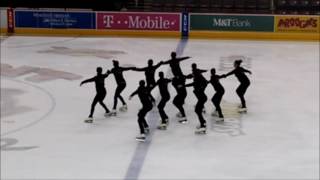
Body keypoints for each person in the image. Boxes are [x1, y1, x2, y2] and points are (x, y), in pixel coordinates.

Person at [185, 63, 208, 134]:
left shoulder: (197, 76)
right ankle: (203, 122)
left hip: (202, 97)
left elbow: (193, 83)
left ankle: (203, 126)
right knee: (197, 110)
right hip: (202, 96)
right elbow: (195, 74)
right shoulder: (196, 72)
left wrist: (184, 85)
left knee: (197, 110)